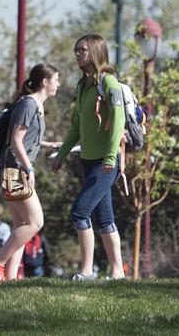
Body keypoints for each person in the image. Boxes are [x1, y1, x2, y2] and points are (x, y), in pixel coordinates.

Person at [51, 35, 127, 281]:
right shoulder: (82, 86)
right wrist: (61, 154)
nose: (77, 54)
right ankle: (117, 274)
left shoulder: (110, 83)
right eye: (76, 50)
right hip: (88, 159)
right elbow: (76, 126)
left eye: (82, 50)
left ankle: (86, 271)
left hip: (105, 162)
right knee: (105, 219)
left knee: (80, 213)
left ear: (95, 52)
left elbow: (118, 122)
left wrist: (110, 156)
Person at [0, 63, 61, 281]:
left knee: (21, 225)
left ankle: (9, 276)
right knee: (36, 222)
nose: (58, 84)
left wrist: (48, 144)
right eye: (56, 79)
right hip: (14, 170)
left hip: (13, 168)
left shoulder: (33, 105)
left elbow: (25, 139)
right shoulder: (28, 105)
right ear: (45, 82)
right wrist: (29, 168)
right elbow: (15, 140)